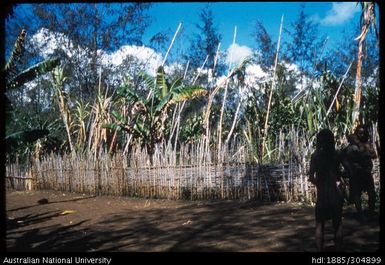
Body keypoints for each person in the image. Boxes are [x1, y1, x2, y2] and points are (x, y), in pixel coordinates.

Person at [308, 129, 344, 251]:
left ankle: (319, 252)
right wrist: (339, 176)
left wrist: (319, 184)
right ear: (332, 140)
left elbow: (311, 177)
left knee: (319, 224)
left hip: (322, 195)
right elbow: (349, 170)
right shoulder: (337, 155)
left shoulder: (315, 156)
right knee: (337, 223)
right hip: (335, 194)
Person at [343, 125, 377, 216]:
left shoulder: (367, 144)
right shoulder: (352, 146)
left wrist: (365, 153)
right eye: (360, 133)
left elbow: (374, 155)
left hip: (366, 172)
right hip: (356, 173)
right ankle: (360, 213)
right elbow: (346, 156)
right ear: (356, 134)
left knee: (372, 193)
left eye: (363, 133)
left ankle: (371, 211)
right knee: (356, 193)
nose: (362, 135)